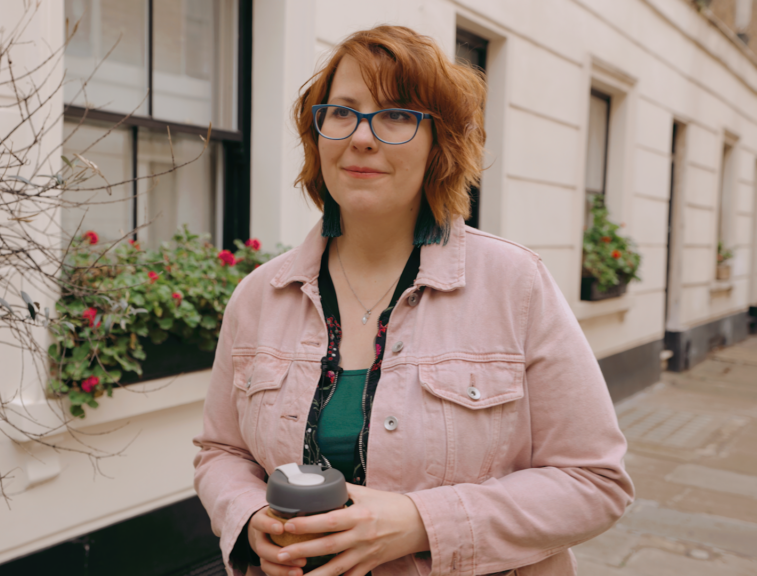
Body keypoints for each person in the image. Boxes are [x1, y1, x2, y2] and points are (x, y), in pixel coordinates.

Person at [193, 25, 633, 576]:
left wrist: (422, 522)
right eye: (342, 111)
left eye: (398, 115)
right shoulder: (259, 296)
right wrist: (251, 514)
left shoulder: (514, 284)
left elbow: (594, 482)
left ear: (439, 144)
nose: (362, 137)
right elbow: (222, 453)